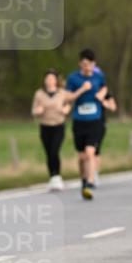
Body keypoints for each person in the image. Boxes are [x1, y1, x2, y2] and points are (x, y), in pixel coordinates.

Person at [66, 49, 108, 200]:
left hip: (95, 120)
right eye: (84, 64)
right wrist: (82, 90)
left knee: (90, 152)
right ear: (80, 64)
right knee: (82, 156)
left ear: (93, 64)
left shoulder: (99, 77)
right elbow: (68, 97)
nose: (86, 67)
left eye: (89, 64)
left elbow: (104, 87)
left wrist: (102, 95)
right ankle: (84, 179)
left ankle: (89, 183)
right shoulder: (73, 78)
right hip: (79, 121)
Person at [31, 69, 71, 191]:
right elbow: (34, 110)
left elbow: (68, 105)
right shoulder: (39, 94)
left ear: (56, 80)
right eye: (47, 78)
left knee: (54, 150)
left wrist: (65, 110)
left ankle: (57, 176)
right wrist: (38, 111)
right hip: (45, 126)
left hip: (58, 125)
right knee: (48, 153)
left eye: (52, 78)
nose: (49, 81)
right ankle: (52, 177)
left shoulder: (62, 93)